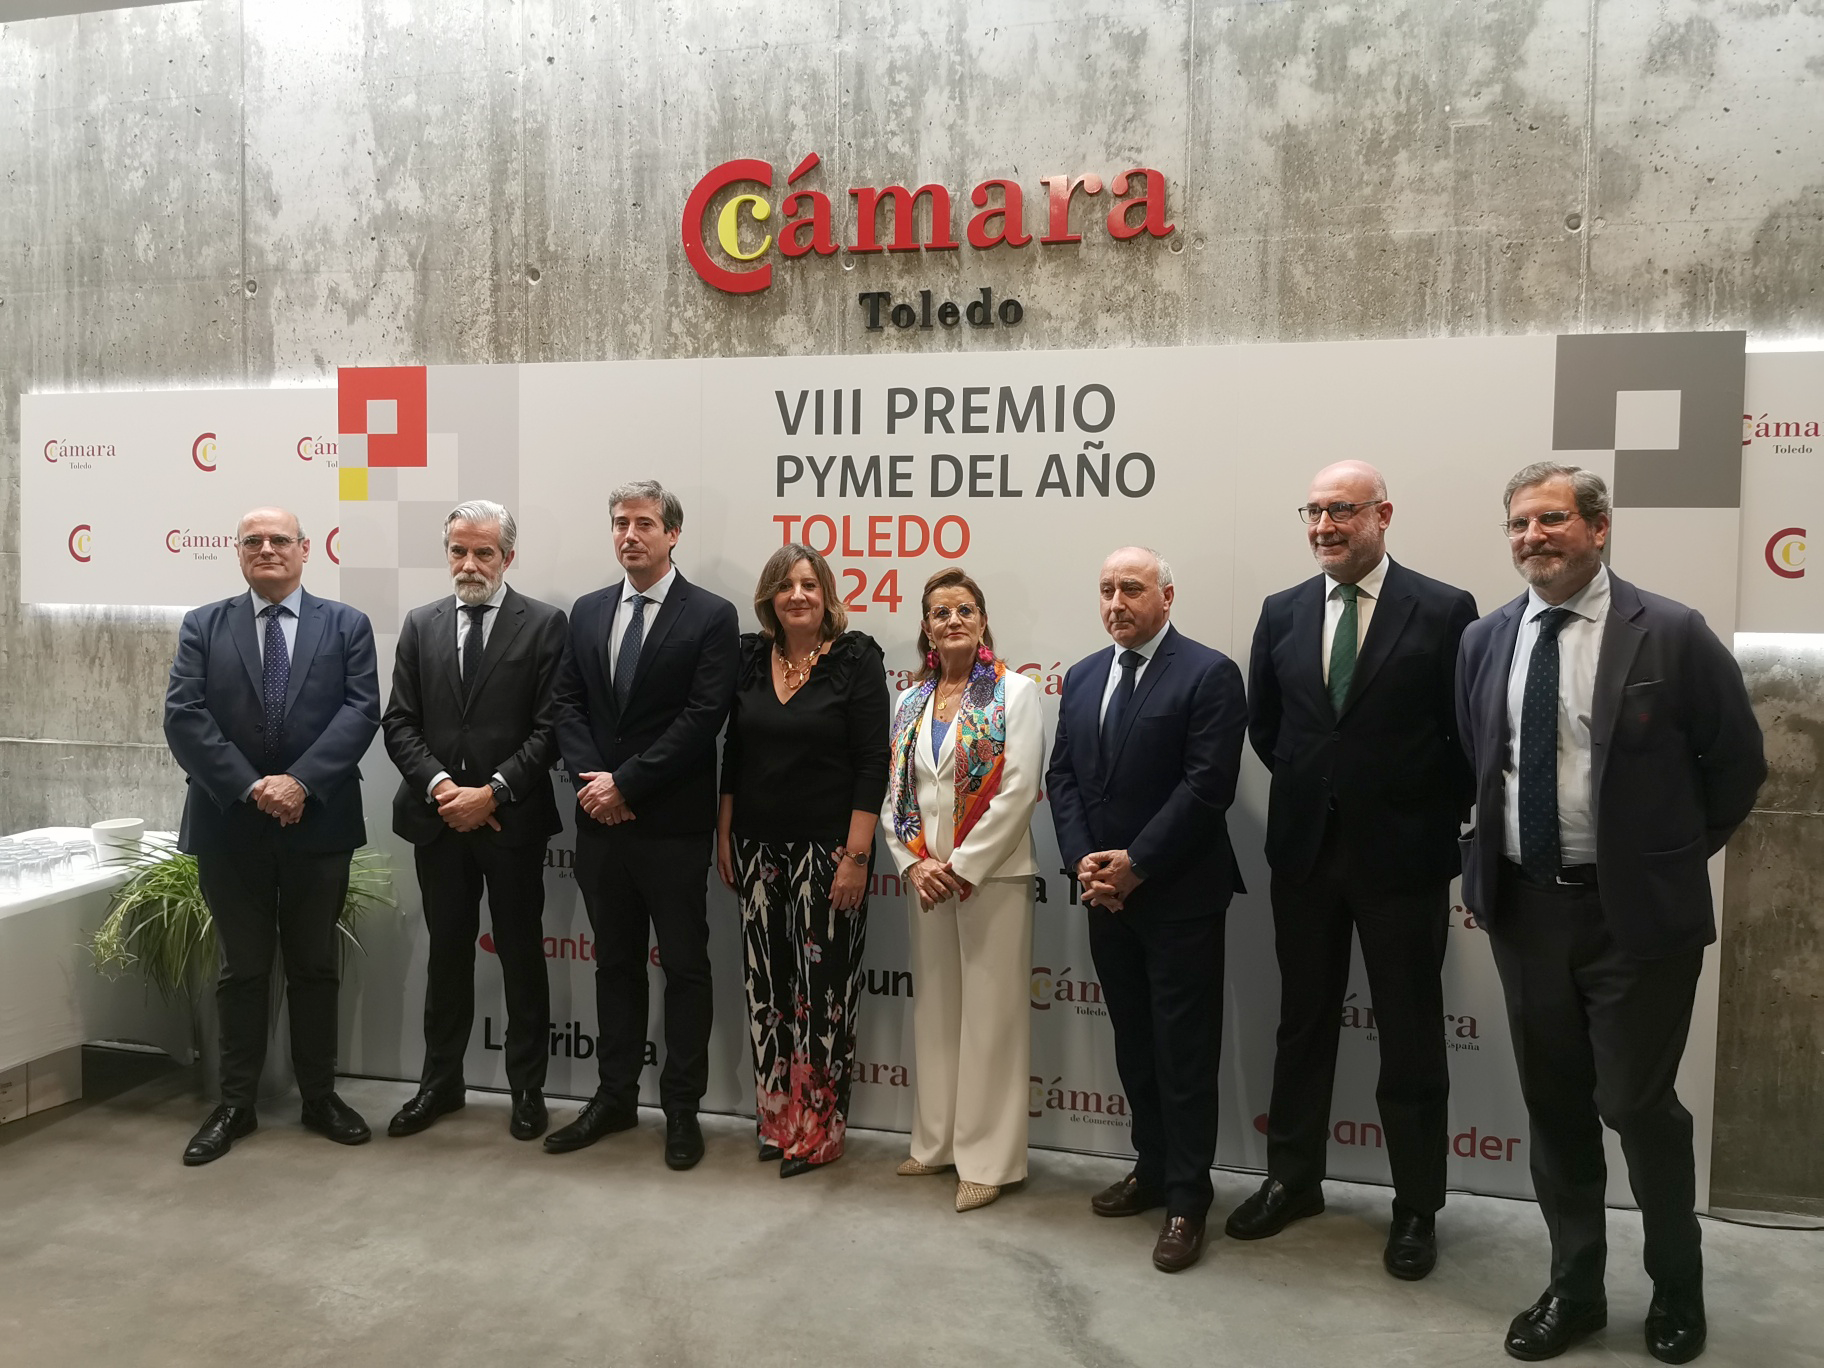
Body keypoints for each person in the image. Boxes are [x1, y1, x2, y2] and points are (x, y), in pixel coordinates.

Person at [1457, 462, 1764, 1364]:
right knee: (1552, 1110)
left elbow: (1736, 767)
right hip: (1524, 912)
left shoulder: (1668, 632)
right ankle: (1576, 1288)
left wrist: (1659, 863)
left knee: (1635, 1103)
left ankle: (1677, 1289)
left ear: (1598, 529)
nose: (1532, 538)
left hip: (1636, 920)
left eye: (1551, 520)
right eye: (1518, 524)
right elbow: (1484, 762)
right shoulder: (1485, 641)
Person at [1233, 461, 1478, 1280]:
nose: (1324, 526)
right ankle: (1293, 1180)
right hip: (1305, 852)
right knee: (1303, 1023)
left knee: (1409, 1034)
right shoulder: (1282, 612)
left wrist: (1412, 810)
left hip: (1403, 859)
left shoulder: (1444, 610)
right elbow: (1271, 729)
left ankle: (1416, 1208)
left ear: (1383, 515)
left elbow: (1464, 737)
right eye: (1313, 511)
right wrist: (1323, 791)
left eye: (1342, 510)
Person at [1046, 547, 1248, 1272]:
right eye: (1105, 589)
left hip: (1179, 897)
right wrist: (1083, 863)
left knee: (1184, 1052)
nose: (1115, 602)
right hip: (1105, 895)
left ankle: (1190, 1200)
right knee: (1135, 1043)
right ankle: (1153, 1168)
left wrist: (1137, 865)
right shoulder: (1085, 675)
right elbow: (1062, 775)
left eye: (1131, 588)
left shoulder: (1208, 673)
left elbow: (1207, 786)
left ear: (1167, 595)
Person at [163, 506, 381, 1165]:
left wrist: (299, 783)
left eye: (279, 540)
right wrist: (255, 787)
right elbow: (184, 715)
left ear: (305, 550)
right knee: (242, 970)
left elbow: (360, 711)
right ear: (237, 553)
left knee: (315, 965)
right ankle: (235, 1104)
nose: (266, 549)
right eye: (253, 541)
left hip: (319, 825)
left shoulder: (347, 625)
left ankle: (320, 1097)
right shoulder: (204, 625)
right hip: (231, 824)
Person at [549, 480, 739, 1170]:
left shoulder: (711, 616)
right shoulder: (589, 611)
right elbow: (567, 705)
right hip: (602, 826)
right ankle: (614, 1096)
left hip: (672, 826)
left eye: (645, 524)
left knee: (685, 968)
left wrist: (626, 783)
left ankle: (682, 1109)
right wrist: (593, 784)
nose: (631, 534)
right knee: (615, 965)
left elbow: (702, 717)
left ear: (672, 534)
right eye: (621, 523)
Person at [381, 501, 569, 1143]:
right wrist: (442, 789)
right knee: (448, 957)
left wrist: (491, 793)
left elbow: (552, 730)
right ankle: (441, 1085)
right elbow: (399, 721)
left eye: (483, 552)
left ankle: (527, 1091)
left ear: (507, 557)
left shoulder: (545, 625)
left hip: (509, 824)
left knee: (521, 956)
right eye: (459, 551)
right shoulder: (420, 623)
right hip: (439, 825)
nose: (469, 564)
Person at [715, 544, 890, 1177]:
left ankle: (820, 1127)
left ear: (827, 595)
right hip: (759, 849)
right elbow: (734, 753)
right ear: (769, 597)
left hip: (829, 854)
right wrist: (725, 832)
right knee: (768, 988)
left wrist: (857, 855)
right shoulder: (748, 659)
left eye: (810, 585)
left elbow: (875, 760)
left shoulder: (855, 659)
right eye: (785, 585)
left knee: (823, 994)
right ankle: (777, 1118)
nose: (797, 595)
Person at [881, 568, 1045, 1212]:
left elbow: (1019, 787)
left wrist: (965, 866)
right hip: (926, 879)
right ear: (925, 626)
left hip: (991, 878)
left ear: (982, 621)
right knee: (938, 1011)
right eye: (940, 611)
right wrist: (912, 863)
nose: (952, 619)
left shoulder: (1017, 691)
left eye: (964, 609)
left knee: (990, 1018)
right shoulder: (909, 701)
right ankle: (936, 1142)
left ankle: (988, 1159)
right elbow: (897, 794)